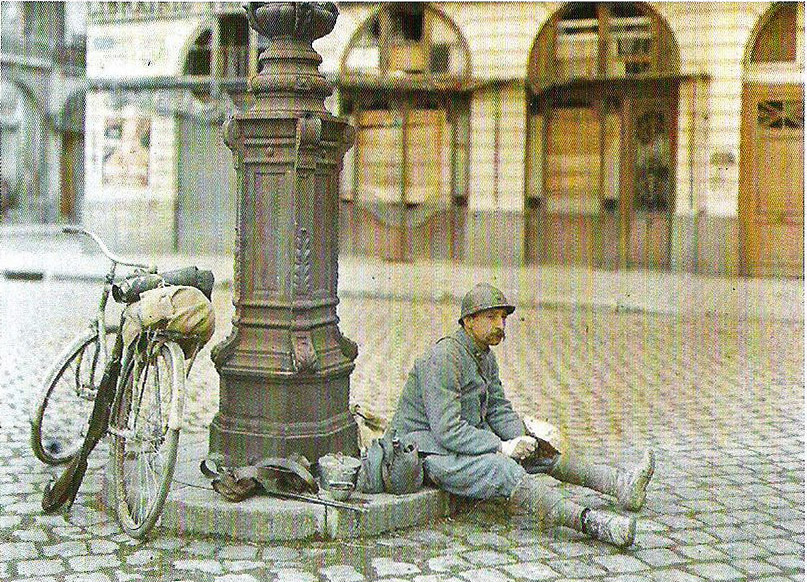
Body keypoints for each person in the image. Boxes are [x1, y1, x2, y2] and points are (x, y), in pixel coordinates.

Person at [389, 283, 655, 548]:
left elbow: (497, 408)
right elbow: (447, 430)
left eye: (503, 318)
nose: (501, 326)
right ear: (468, 321)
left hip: (460, 444)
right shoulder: (444, 357)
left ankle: (622, 486)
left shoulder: (484, 355)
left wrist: (523, 440)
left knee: (542, 452)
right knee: (503, 469)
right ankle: (592, 523)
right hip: (428, 453)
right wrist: (502, 447)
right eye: (491, 317)